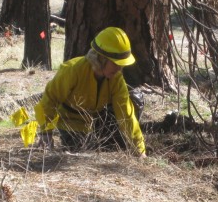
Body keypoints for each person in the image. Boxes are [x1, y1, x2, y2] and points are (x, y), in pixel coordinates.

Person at [34, 27, 146, 157]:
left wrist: (139, 150)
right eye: (116, 63)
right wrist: (46, 132)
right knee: (81, 150)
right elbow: (50, 98)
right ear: (101, 58)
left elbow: (126, 114)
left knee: (134, 102)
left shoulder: (116, 78)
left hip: (97, 120)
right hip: (72, 122)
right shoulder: (73, 70)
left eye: (122, 64)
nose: (119, 68)